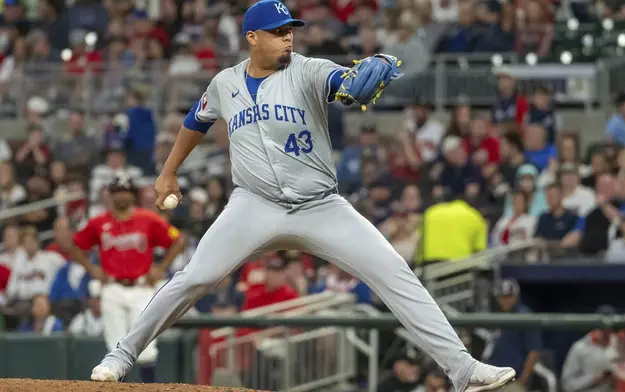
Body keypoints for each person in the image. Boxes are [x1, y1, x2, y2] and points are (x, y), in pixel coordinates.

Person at [89, 0, 516, 389]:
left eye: (290, 28)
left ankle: (462, 369)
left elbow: (342, 81)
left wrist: (365, 70)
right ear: (252, 38)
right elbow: (196, 122)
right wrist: (168, 172)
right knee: (195, 277)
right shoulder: (225, 83)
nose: (288, 36)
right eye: (278, 31)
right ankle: (121, 355)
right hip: (253, 204)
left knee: (394, 272)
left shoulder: (308, 69)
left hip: (320, 206)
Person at [69, 175, 186, 383]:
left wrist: (160, 268)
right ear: (111, 195)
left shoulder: (148, 218)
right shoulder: (99, 222)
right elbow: (76, 244)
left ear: (133, 195)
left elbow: (177, 240)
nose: (122, 195)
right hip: (112, 286)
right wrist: (92, 268)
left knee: (147, 346)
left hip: (141, 286)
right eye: (118, 191)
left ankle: (149, 386)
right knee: (115, 346)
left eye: (126, 191)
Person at [484, 279, 542, 387]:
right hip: (492, 379)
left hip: (513, 380)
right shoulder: (496, 316)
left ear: (516, 296)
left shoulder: (526, 317)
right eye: (502, 297)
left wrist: (521, 382)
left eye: (509, 296)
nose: (505, 300)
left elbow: (534, 352)